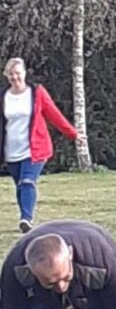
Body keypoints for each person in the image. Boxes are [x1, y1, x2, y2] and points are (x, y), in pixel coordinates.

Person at [1, 57, 82, 233]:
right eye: (11, 74)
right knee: (21, 186)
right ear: (7, 75)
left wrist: (73, 134)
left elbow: (54, 114)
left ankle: (26, 219)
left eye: (18, 73)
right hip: (11, 150)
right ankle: (25, 214)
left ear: (24, 73)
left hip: (35, 150)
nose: (15, 77)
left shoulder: (36, 93)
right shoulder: (4, 97)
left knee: (27, 182)